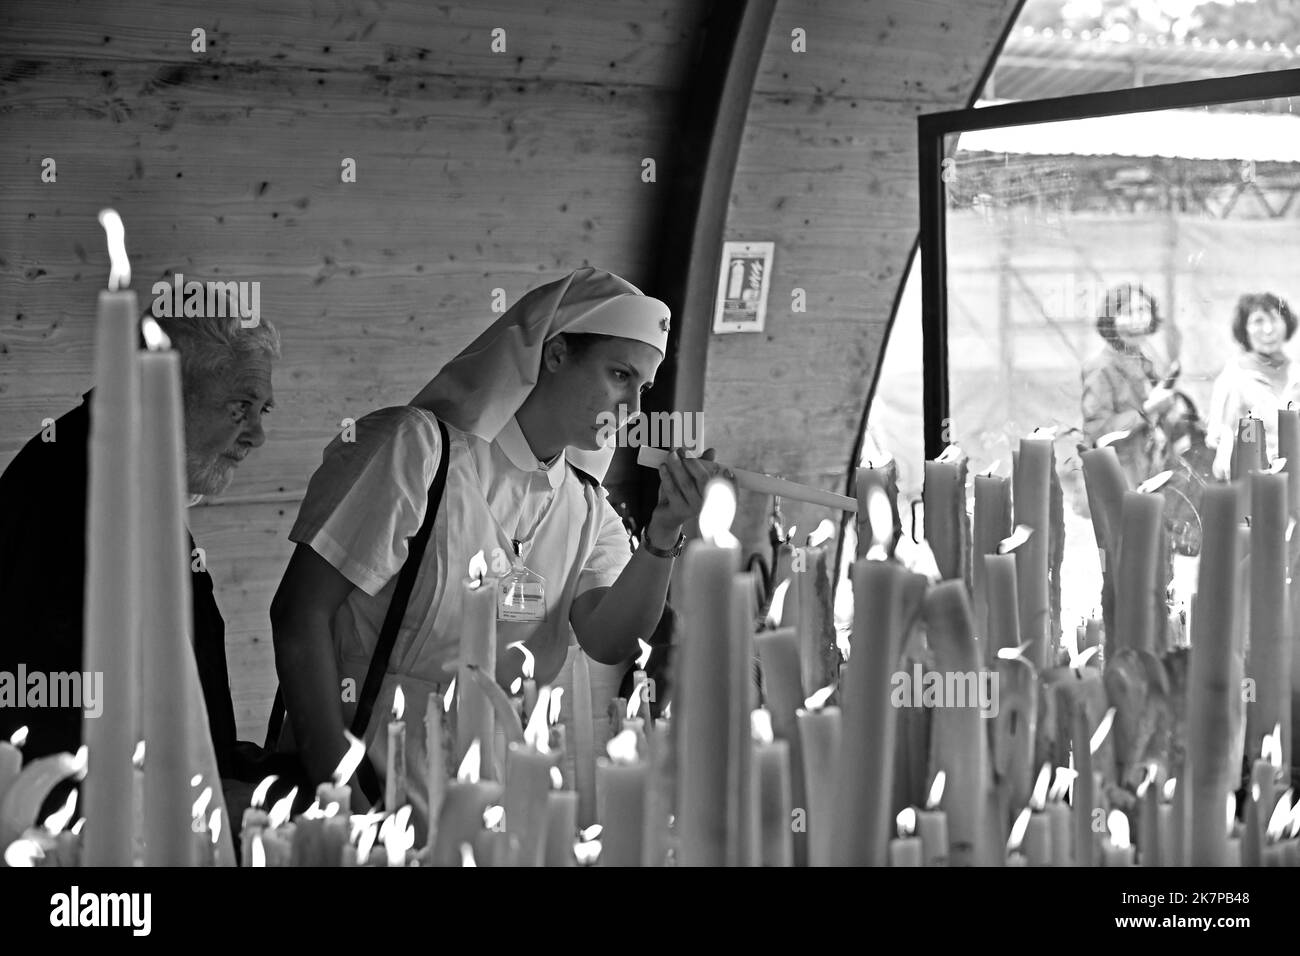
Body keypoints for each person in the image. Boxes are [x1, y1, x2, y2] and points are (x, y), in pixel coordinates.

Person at [271, 267, 721, 823]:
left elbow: (610, 639)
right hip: (362, 782)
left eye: (643, 388)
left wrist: (664, 534)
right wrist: (343, 797)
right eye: (620, 375)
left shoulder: (585, 506)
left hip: (490, 804)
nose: (632, 407)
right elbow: (299, 614)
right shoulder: (416, 453)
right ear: (555, 354)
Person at [0, 305, 280, 786]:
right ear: (167, 390)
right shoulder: (80, 490)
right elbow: (53, 715)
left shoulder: (116, 463)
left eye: (263, 410)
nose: (257, 434)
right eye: (240, 407)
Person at [1080, 284, 1181, 487]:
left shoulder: (1143, 361)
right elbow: (1098, 432)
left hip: (1148, 470)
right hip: (1117, 476)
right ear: (1111, 320)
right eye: (1127, 312)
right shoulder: (1100, 367)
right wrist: (1147, 410)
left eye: (1143, 310)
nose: (1137, 319)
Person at [1207, 292, 1299, 479]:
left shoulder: (1296, 373)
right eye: (1258, 321)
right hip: (1256, 481)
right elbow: (1219, 436)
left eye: (1275, 320)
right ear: (1244, 330)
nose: (1268, 329)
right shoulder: (1234, 378)